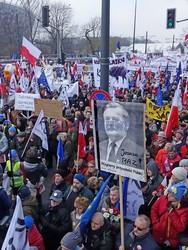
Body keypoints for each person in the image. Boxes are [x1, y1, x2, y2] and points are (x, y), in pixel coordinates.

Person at [99, 102, 144, 169]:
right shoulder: (99, 146)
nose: (110, 123)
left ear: (126, 125)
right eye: (107, 119)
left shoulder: (138, 151)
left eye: (115, 119)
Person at [151, 182, 188, 249]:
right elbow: (154, 210)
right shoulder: (163, 198)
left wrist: (172, 213)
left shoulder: (184, 210)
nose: (168, 195)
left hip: (169, 241)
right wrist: (155, 223)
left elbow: (181, 227)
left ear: (178, 198)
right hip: (157, 234)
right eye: (169, 192)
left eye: (172, 195)